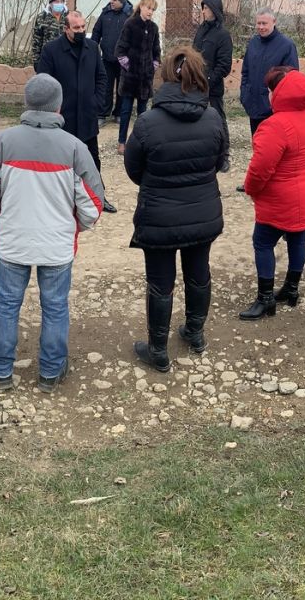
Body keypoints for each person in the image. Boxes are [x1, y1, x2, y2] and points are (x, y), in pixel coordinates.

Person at [0, 73, 104, 392]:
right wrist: (72, 227)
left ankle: (1, 369)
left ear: (27, 102)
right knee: (55, 305)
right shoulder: (75, 147)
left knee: (6, 303)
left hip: (13, 242)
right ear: (59, 106)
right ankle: (51, 371)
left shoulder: (3, 142)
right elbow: (93, 205)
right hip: (56, 246)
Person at [124, 47, 228, 372]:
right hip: (202, 213)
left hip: (160, 216)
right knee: (199, 275)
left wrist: (157, 182)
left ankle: (158, 349)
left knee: (160, 283)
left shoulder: (147, 122)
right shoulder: (214, 118)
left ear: (166, 75)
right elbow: (220, 160)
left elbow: (133, 169)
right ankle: (195, 334)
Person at [240, 68, 305, 320]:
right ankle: (291, 288)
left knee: (263, 242)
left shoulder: (275, 125)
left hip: (281, 198)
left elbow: (260, 169)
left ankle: (266, 298)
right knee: (297, 239)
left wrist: (251, 189)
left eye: (269, 90)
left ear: (278, 93)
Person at [36, 10, 117, 214]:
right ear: (66, 29)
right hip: (62, 118)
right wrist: (54, 110)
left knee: (92, 158)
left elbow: (102, 77)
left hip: (88, 115)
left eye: (83, 27)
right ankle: (61, 200)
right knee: (61, 161)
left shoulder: (92, 48)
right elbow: (44, 82)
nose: (81, 31)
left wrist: (97, 102)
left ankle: (98, 197)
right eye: (76, 28)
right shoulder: (51, 50)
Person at [237, 8, 299, 191]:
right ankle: (257, 179)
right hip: (253, 103)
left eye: (264, 23)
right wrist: (244, 93)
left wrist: (280, 102)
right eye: (258, 23)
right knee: (257, 144)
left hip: (274, 108)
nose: (261, 27)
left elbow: (292, 77)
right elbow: (246, 70)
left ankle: (275, 181)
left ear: (274, 22)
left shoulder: (286, 45)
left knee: (273, 147)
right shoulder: (254, 43)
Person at [114, 0, 161, 155]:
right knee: (126, 111)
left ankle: (141, 142)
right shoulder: (130, 24)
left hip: (145, 78)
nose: (150, 12)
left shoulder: (154, 28)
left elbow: (156, 51)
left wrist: (153, 65)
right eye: (148, 8)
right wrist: (129, 66)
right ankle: (122, 142)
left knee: (143, 112)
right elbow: (120, 49)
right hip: (130, 78)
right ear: (141, 6)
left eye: (153, 9)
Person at [192, 0, 233, 172]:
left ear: (215, 10)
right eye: (203, 7)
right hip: (195, 84)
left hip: (213, 87)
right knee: (195, 119)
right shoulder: (201, 30)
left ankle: (223, 156)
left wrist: (208, 80)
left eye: (207, 8)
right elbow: (193, 54)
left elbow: (224, 66)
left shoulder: (223, 35)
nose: (203, 11)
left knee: (218, 120)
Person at [90, 0, 132, 125]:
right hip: (107, 58)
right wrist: (92, 48)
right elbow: (96, 32)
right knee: (105, 86)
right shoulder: (105, 13)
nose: (111, 2)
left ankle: (118, 113)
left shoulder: (129, 15)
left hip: (123, 60)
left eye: (114, 0)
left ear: (121, 1)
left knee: (122, 87)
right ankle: (101, 114)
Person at [31, 0, 67, 67]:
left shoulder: (69, 16)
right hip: (48, 58)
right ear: (51, 3)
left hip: (66, 58)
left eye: (61, 1)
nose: (60, 4)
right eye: (57, 2)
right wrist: (36, 60)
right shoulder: (42, 17)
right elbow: (37, 40)